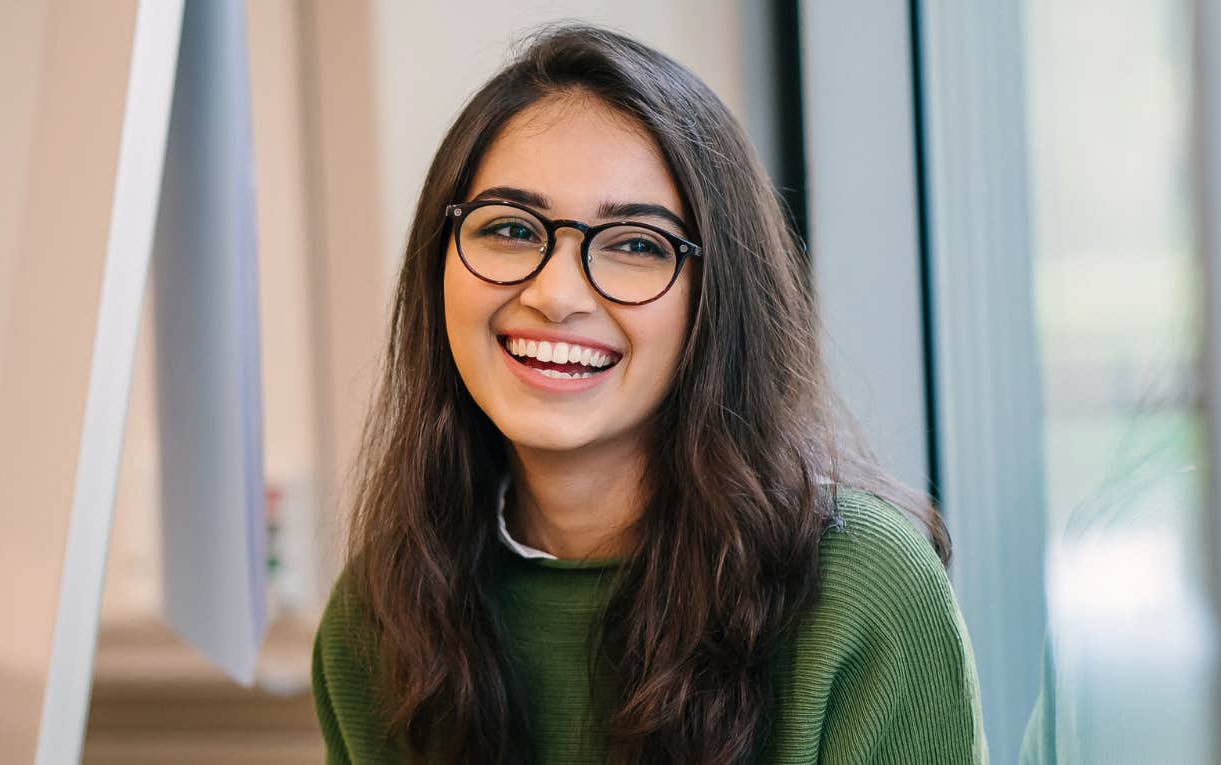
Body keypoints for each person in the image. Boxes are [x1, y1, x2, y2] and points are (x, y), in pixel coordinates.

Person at [312, 22, 987, 764]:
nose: (556, 293)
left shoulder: (866, 593)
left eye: (636, 243)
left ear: (717, 300)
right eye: (509, 228)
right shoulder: (378, 620)